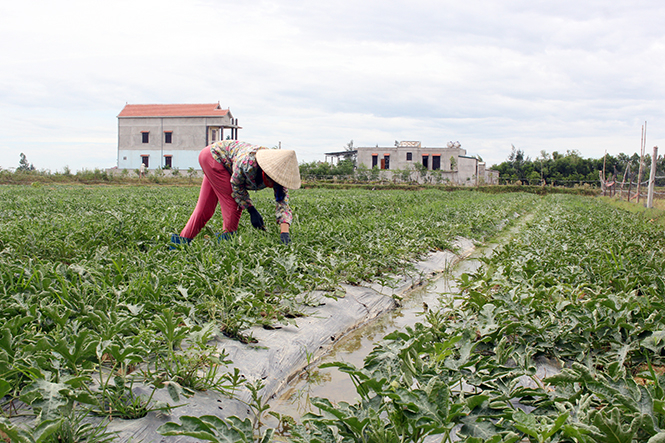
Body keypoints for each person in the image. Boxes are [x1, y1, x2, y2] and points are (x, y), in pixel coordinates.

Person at [171, 140, 301, 248]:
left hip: (221, 163)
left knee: (205, 208)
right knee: (233, 205)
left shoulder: (280, 176)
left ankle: (179, 244)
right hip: (213, 157)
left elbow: (283, 204)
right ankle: (225, 248)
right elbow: (237, 187)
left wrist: (285, 233)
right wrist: (251, 210)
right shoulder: (248, 163)